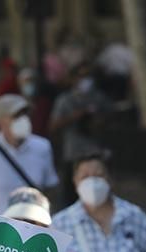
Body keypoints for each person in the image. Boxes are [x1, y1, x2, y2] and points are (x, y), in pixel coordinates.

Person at [0, 93, 60, 224]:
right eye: (16, 116)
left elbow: (51, 189)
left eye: (26, 114)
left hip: (32, 231)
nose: (23, 120)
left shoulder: (42, 147)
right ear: (0, 121)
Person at [50, 63, 110, 206]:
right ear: (73, 79)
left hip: (94, 153)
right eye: (81, 76)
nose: (85, 80)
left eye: (88, 76)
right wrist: (75, 116)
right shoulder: (65, 100)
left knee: (97, 198)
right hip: (73, 155)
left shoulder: (98, 98)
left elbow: (110, 118)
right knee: (69, 199)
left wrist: (97, 120)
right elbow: (53, 126)